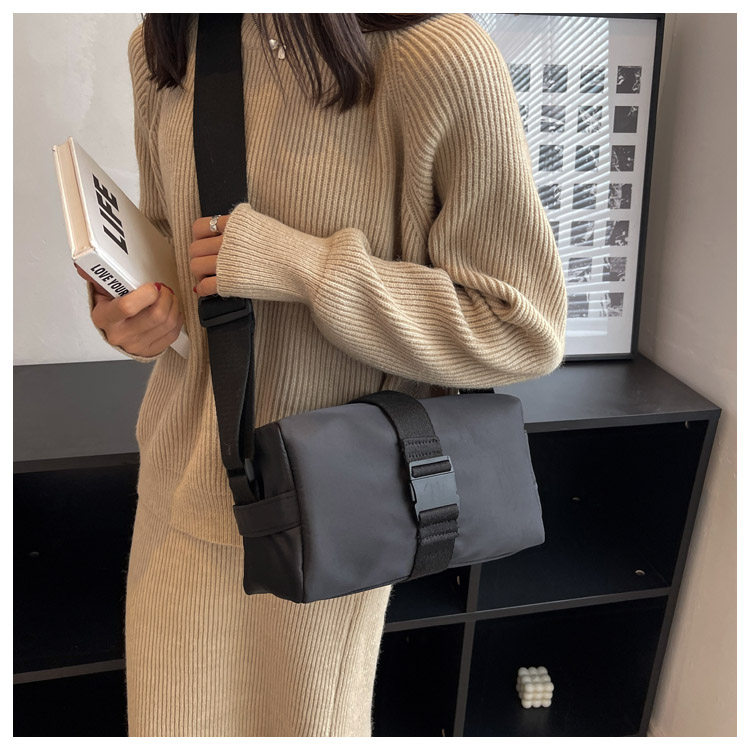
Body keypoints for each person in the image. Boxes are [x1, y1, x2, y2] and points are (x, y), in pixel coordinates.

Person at [78, 12, 568, 737]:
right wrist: (133, 317)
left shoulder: (439, 57)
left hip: (330, 513)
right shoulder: (167, 46)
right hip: (182, 486)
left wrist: (302, 266)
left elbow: (520, 329)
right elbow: (180, 260)